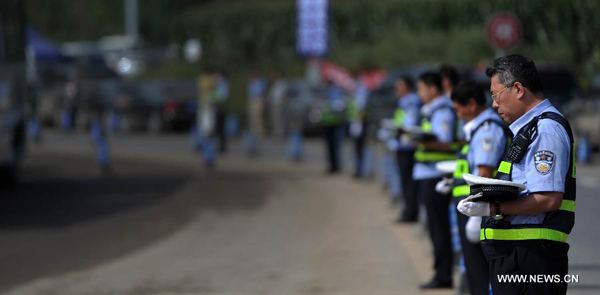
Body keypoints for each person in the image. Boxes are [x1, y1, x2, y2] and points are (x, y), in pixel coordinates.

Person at [457, 54, 575, 295]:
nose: (494, 104)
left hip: (532, 259)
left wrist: (494, 209)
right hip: (519, 256)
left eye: (496, 95)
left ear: (518, 89)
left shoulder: (545, 130)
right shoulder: (529, 129)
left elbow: (548, 199)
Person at [451, 81, 511, 295]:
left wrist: (477, 216)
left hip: (479, 209)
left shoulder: (487, 130)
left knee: (479, 270)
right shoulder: (478, 128)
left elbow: (484, 172)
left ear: (473, 104)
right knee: (473, 267)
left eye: (459, 108)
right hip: (472, 206)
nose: (457, 114)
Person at [413, 71, 460, 289]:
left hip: (435, 176)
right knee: (435, 227)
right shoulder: (432, 109)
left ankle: (443, 275)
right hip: (428, 174)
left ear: (433, 89)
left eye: (421, 88)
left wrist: (418, 140)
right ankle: (441, 272)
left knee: (439, 228)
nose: (419, 93)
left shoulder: (441, 111)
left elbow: (446, 142)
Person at [392, 75, 422, 222]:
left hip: (407, 147)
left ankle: (410, 212)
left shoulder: (410, 101)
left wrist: (400, 131)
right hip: (402, 145)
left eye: (400, 85)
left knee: (408, 182)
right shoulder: (405, 101)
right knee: (406, 182)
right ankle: (409, 210)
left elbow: (409, 124)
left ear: (408, 87)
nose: (397, 89)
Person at [321, 81, 347, 174]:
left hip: (336, 123)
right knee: (330, 147)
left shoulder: (337, 91)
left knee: (336, 146)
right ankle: (332, 165)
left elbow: (339, 106)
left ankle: (336, 165)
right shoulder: (327, 91)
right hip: (327, 123)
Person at [348, 75, 370, 178]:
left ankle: (361, 170)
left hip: (360, 123)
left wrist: (358, 123)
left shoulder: (361, 90)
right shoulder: (356, 91)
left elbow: (361, 108)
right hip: (356, 122)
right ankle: (359, 169)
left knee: (360, 148)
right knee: (357, 148)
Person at [246, 71, 268, 155]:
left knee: (259, 119)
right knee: (253, 120)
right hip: (253, 100)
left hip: (258, 100)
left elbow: (262, 93)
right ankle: (255, 134)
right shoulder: (252, 82)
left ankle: (259, 135)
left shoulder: (260, 83)